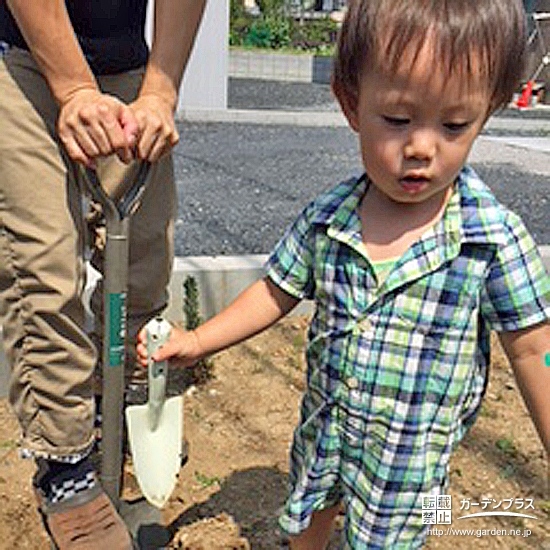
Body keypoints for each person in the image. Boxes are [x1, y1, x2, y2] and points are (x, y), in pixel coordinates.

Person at [138, 0, 550, 548]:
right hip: (327, 431)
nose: (422, 147)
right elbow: (275, 290)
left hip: (408, 462)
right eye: (398, 119)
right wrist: (197, 340)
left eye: (455, 125)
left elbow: (533, 349)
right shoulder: (329, 218)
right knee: (310, 515)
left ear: (487, 112)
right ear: (351, 103)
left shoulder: (491, 239)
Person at [0, 0, 206, 548]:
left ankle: (113, 416)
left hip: (130, 69)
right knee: (43, 270)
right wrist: (72, 91)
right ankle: (65, 466)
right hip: (19, 56)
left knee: (143, 263)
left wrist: (160, 91)